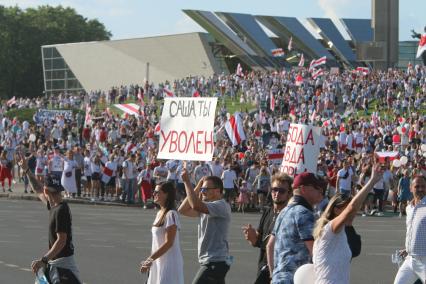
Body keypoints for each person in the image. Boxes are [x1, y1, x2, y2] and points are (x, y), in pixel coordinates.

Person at [312, 163, 383, 284]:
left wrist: (349, 224)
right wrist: (372, 181)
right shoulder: (329, 229)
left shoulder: (345, 231)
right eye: (345, 208)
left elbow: (355, 251)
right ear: (336, 210)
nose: (354, 211)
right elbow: (352, 208)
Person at [17, 153, 82, 283]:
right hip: (55, 263)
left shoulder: (61, 209)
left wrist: (43, 260)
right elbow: (37, 188)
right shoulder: (53, 204)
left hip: (64, 265)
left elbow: (61, 241)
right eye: (55, 191)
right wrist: (27, 170)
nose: (57, 194)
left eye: (57, 192)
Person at [267, 172, 325, 284]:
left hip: (278, 279)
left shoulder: (283, 211)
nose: (321, 191)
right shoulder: (304, 213)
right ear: (303, 189)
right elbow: (315, 251)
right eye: (317, 188)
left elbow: (270, 245)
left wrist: (272, 275)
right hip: (295, 279)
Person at [178, 166, 232, 284]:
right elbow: (182, 210)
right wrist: (198, 187)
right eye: (202, 189)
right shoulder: (207, 206)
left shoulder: (220, 205)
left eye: (206, 189)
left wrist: (187, 182)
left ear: (217, 190)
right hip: (212, 260)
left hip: (215, 261)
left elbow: (195, 205)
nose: (203, 192)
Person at [242, 173, 293, 284]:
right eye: (274, 189)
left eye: (282, 191)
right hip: (263, 266)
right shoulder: (267, 211)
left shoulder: (291, 215)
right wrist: (252, 238)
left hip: (281, 269)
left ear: (289, 193)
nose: (277, 193)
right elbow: (260, 241)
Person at [140, 181, 184, 284]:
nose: (154, 194)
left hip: (169, 264)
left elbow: (169, 242)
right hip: (158, 262)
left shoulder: (171, 214)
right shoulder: (160, 213)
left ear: (166, 194)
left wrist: (149, 259)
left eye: (157, 192)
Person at [394, 175, 426, 284]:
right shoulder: (409, 208)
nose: (420, 189)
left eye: (423, 186)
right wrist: (408, 248)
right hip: (410, 259)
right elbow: (412, 230)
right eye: (417, 186)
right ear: (411, 188)